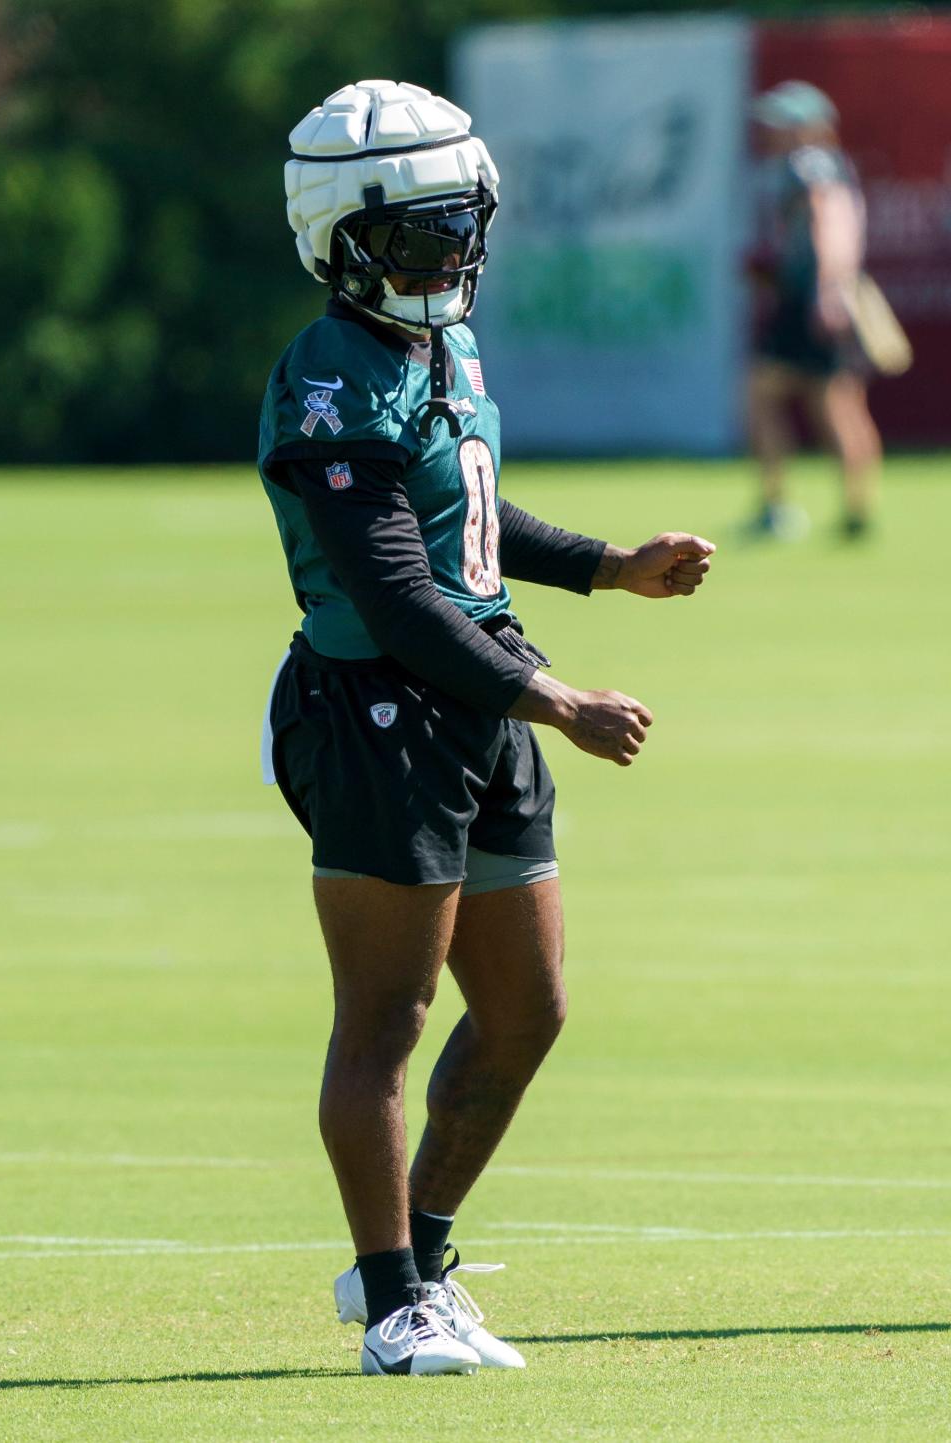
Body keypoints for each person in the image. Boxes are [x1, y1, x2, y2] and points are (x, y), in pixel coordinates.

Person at [258, 79, 715, 1377]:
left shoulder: (442, 346)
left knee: (527, 1007)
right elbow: (395, 587)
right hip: (377, 712)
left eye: (466, 227)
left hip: (482, 694)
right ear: (343, 239)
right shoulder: (328, 379)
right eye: (425, 232)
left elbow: (469, 511)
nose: (454, 256)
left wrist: (609, 564)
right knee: (384, 1020)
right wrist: (556, 697)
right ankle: (394, 1303)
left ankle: (421, 1256)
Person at [746, 80, 882, 540]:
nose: (773, 130)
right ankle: (858, 512)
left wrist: (827, 289)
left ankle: (776, 507)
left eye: (783, 122)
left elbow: (832, 218)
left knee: (762, 395)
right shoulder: (833, 163)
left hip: (810, 299)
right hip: (824, 295)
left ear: (810, 126)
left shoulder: (810, 162)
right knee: (838, 403)